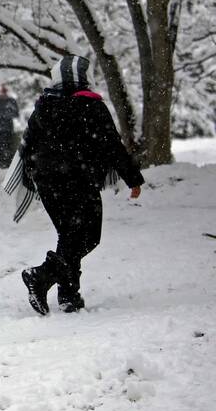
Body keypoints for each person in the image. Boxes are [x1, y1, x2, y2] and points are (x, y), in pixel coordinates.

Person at [10, 55, 144, 315]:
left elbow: (27, 145)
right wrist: (133, 178)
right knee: (89, 237)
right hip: (78, 180)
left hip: (47, 182)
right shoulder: (91, 106)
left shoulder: (44, 106)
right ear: (84, 77)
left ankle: (69, 295)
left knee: (69, 236)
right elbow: (112, 146)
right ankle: (41, 276)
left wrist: (29, 176)